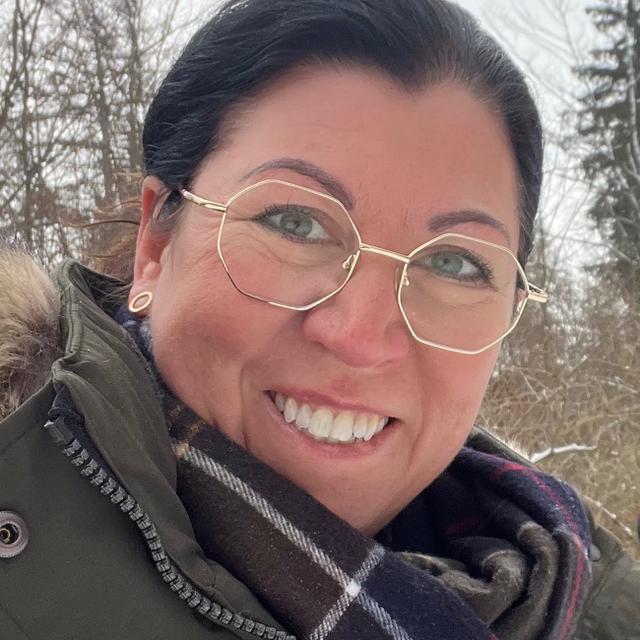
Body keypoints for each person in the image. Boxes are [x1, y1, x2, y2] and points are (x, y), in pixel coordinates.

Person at [0, 0, 637, 638]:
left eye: (454, 264)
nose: (360, 338)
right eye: (295, 223)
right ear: (156, 244)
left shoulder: (581, 609)